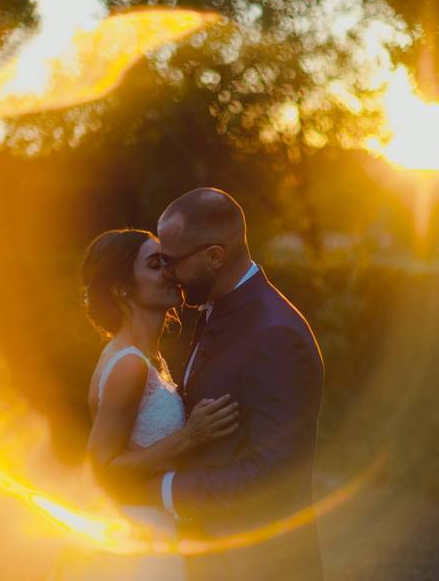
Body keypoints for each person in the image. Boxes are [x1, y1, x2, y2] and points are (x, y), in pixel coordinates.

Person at [154, 188, 324, 581]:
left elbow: (274, 475)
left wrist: (170, 490)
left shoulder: (276, 334)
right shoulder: (218, 308)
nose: (167, 273)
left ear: (215, 256)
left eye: (172, 261)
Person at [51, 228, 239, 580]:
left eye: (168, 262)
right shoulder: (129, 365)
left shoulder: (147, 358)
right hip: (141, 543)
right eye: (155, 265)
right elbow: (101, 467)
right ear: (122, 287)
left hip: (157, 527)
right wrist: (190, 437)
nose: (171, 273)